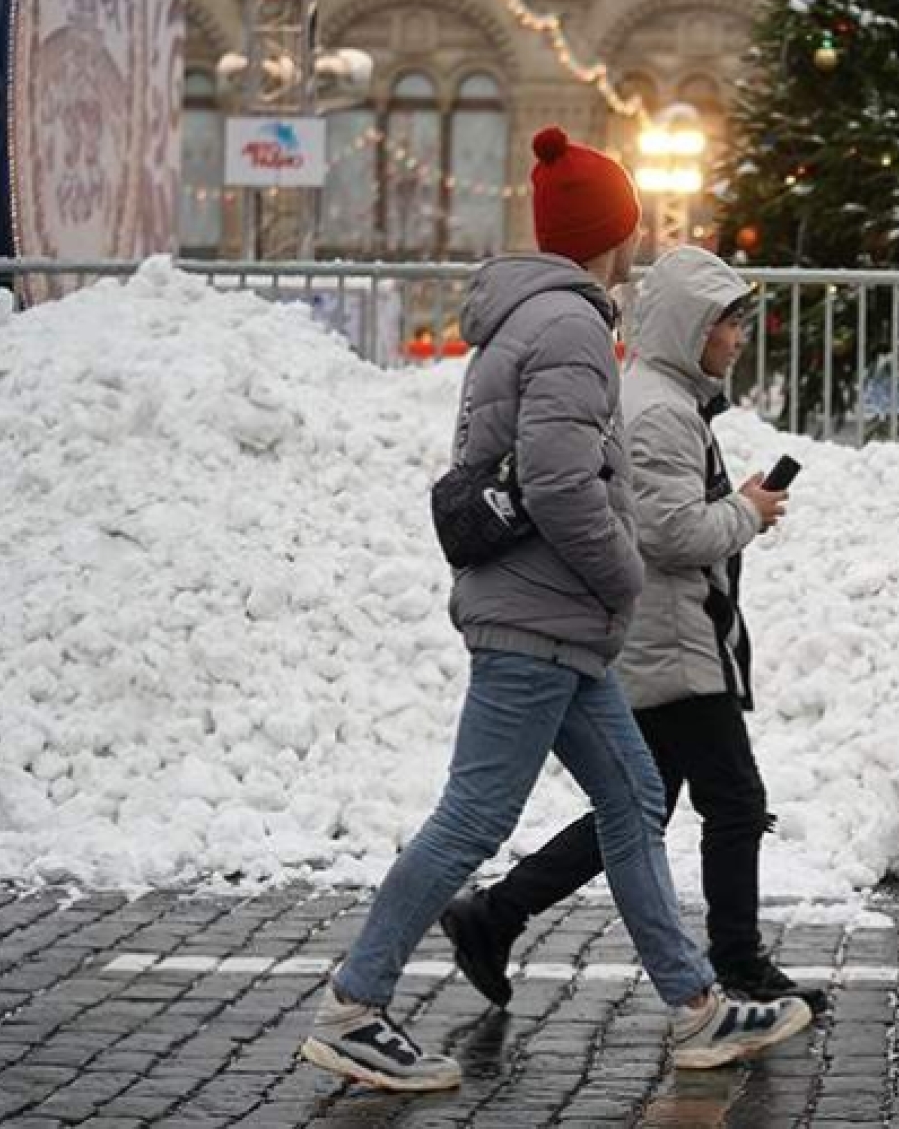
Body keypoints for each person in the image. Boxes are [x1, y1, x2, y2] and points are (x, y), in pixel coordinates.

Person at [298, 127, 811, 1093]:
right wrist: (620, 577)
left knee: (632, 801)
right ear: (610, 236)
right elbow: (565, 482)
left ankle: (699, 1008)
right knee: (474, 818)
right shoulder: (571, 325)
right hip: (543, 618)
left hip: (555, 624)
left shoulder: (526, 319)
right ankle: (353, 1005)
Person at [439, 245, 826, 1014]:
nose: (737, 337)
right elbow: (668, 532)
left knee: (639, 807)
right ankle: (739, 965)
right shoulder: (657, 411)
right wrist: (747, 510)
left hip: (668, 640)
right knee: (735, 802)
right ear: (690, 327)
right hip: (671, 645)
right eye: (726, 323)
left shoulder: (664, 399)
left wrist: (737, 509)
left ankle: (494, 914)